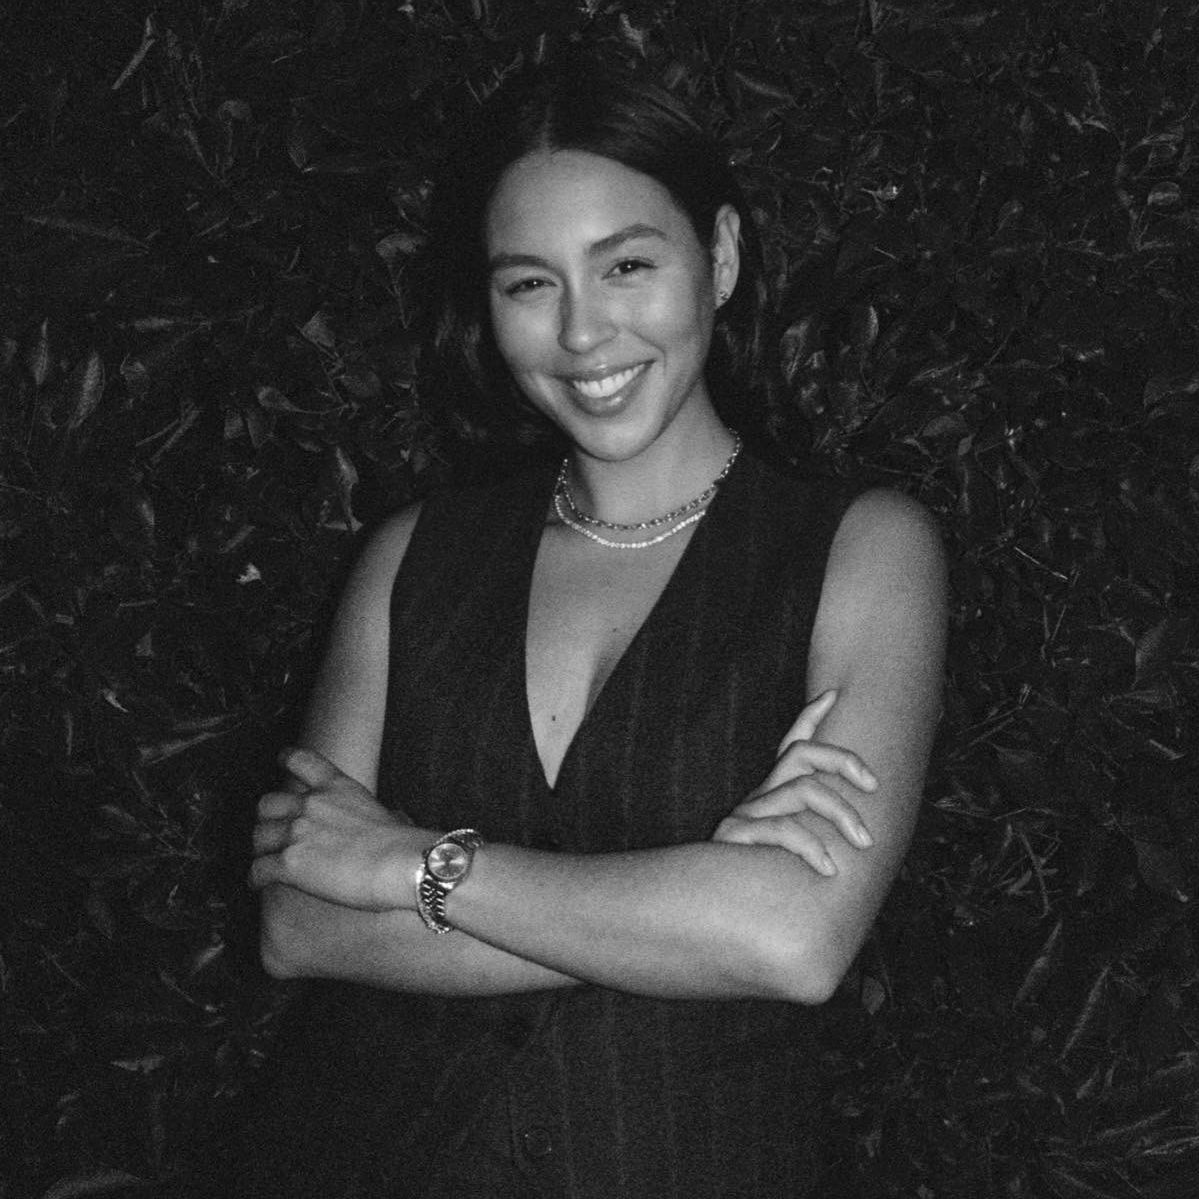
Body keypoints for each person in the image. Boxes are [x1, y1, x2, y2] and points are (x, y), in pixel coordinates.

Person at [232, 58, 946, 1199]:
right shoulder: (410, 555)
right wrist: (688, 912)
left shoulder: (859, 548)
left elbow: (794, 941)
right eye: (529, 283)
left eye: (625, 265)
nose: (581, 331)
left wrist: (407, 865)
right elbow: (300, 920)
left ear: (718, 258)